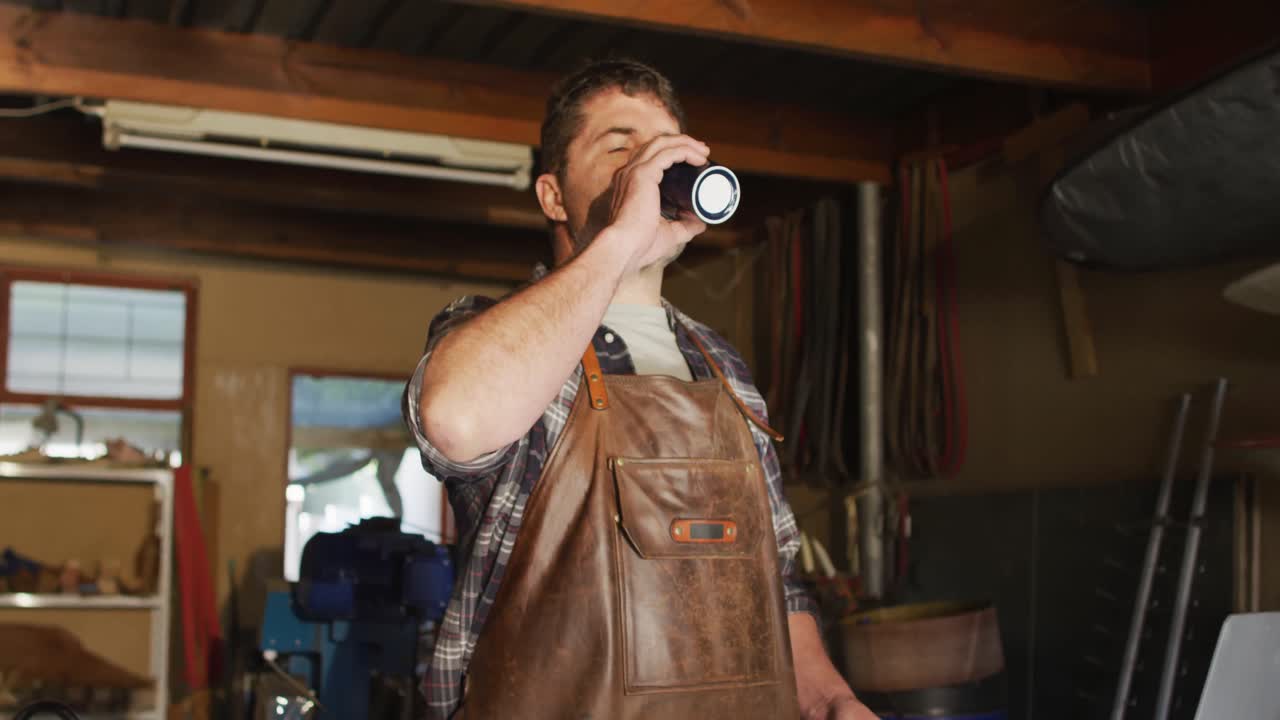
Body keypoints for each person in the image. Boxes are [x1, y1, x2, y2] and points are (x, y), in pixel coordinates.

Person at [404, 58, 877, 720]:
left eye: (663, 149)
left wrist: (833, 702)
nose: (649, 169)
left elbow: (778, 584)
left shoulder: (723, 367)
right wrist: (622, 237)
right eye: (620, 148)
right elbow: (454, 418)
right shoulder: (490, 335)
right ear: (553, 196)